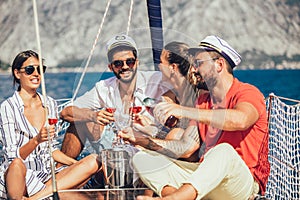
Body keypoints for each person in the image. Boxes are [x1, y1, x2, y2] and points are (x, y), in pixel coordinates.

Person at [120, 35, 270, 200]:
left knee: (223, 150)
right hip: (206, 179)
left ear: (219, 65)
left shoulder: (247, 93)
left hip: (240, 183)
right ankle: (179, 196)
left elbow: (240, 120)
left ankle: (174, 199)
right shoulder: (203, 101)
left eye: (198, 63)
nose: (193, 69)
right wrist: (141, 140)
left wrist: (183, 110)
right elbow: (186, 148)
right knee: (142, 159)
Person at [0, 50, 100, 199]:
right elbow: (12, 156)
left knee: (93, 160)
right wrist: (36, 140)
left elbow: (51, 150)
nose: (36, 74)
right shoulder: (8, 107)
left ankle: (37, 197)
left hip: (47, 175)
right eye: (29, 70)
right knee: (16, 164)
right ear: (17, 73)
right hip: (21, 177)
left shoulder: (50, 104)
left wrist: (77, 165)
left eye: (40, 69)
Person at [59, 34, 174, 162]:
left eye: (129, 61)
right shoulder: (104, 88)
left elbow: (184, 85)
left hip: (148, 147)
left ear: (137, 62)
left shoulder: (156, 80)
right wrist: (93, 115)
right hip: (117, 148)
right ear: (110, 67)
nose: (125, 67)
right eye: (118, 63)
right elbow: (65, 112)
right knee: (79, 119)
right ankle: (62, 170)